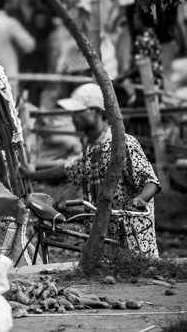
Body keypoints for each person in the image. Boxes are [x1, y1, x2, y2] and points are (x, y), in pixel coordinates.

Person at [22, 83, 161, 257]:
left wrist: (140, 199)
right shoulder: (92, 150)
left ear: (95, 112)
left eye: (78, 111)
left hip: (132, 239)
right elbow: (68, 170)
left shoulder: (122, 144)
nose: (73, 117)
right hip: (104, 238)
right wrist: (31, 174)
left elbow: (151, 181)